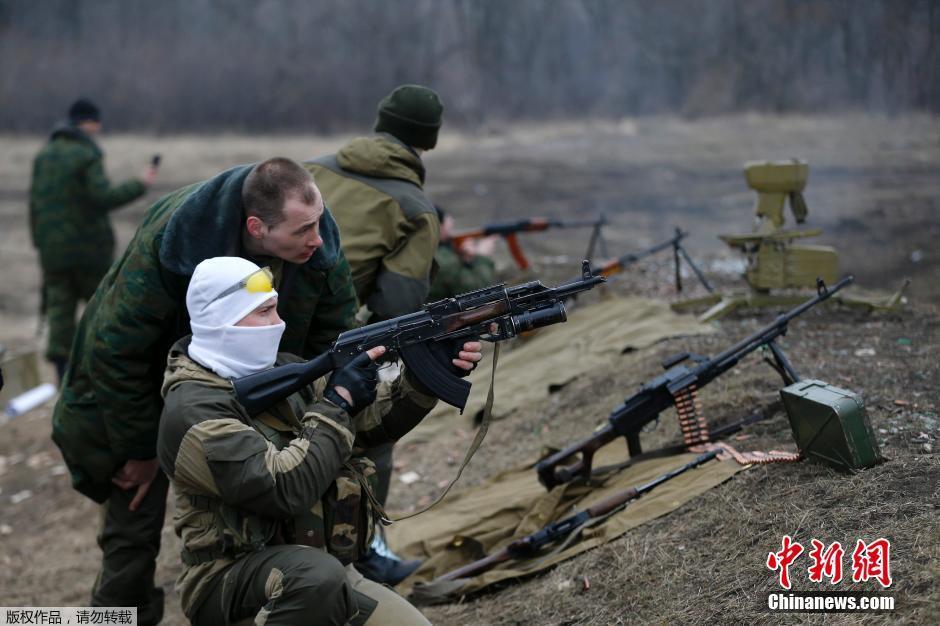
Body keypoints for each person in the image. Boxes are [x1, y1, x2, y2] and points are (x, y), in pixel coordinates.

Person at [51, 157, 359, 625]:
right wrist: (141, 447)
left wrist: (318, 404)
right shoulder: (173, 239)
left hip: (253, 399)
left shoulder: (314, 237)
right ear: (256, 227)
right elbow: (117, 351)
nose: (317, 240)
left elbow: (332, 338)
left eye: (317, 225)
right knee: (131, 534)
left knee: (277, 518)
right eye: (303, 232)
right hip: (136, 398)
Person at [158, 256, 483, 625]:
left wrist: (429, 375)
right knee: (315, 580)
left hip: (322, 569)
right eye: (264, 312)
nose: (278, 323)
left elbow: (368, 426)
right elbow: (283, 489)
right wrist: (337, 403)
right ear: (223, 320)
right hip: (234, 581)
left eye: (276, 309)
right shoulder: (193, 412)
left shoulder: (279, 370)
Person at [305, 85, 443, 583]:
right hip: (328, 340)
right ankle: (364, 550)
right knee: (372, 435)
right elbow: (397, 309)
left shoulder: (312, 168)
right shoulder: (414, 206)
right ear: (427, 140)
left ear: (380, 122)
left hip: (260, 320)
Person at [29, 98, 158, 380]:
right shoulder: (87, 154)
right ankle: (101, 373)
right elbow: (102, 198)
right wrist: (141, 184)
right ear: (87, 122)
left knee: (60, 312)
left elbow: (34, 204)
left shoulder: (44, 155)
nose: (98, 129)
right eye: (96, 122)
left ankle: (62, 378)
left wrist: (40, 243)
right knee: (102, 310)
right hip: (89, 250)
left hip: (52, 251)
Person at [427, 207, 497, 301]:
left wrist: (466, 262)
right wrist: (482, 256)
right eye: (448, 229)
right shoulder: (443, 260)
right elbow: (477, 292)